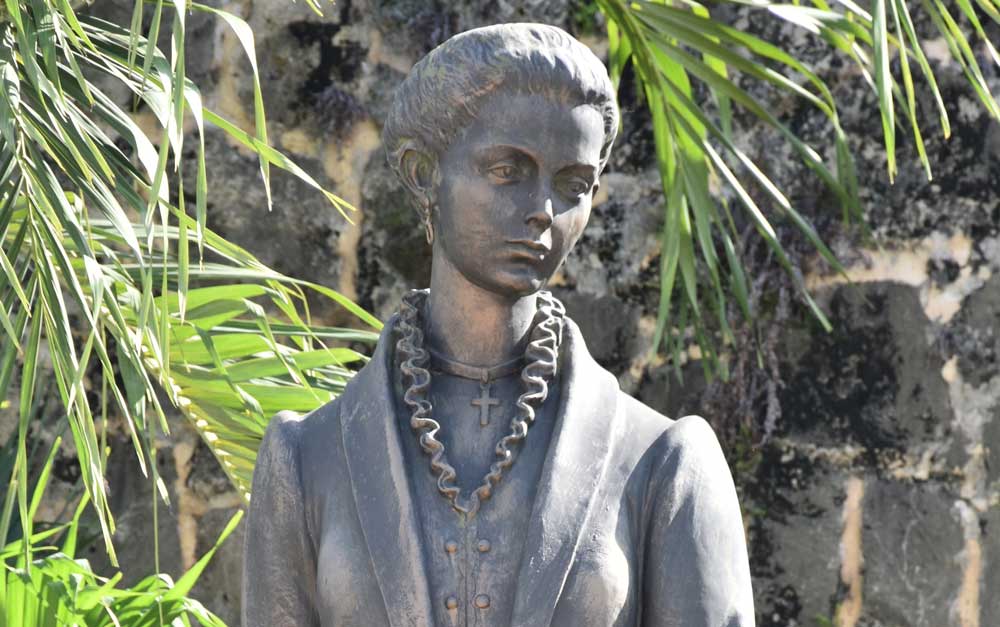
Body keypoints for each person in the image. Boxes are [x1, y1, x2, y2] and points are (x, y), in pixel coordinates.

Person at [242, 22, 754, 627]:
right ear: (422, 173)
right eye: (509, 170)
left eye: (573, 184)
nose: (543, 210)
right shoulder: (306, 460)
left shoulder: (663, 462)